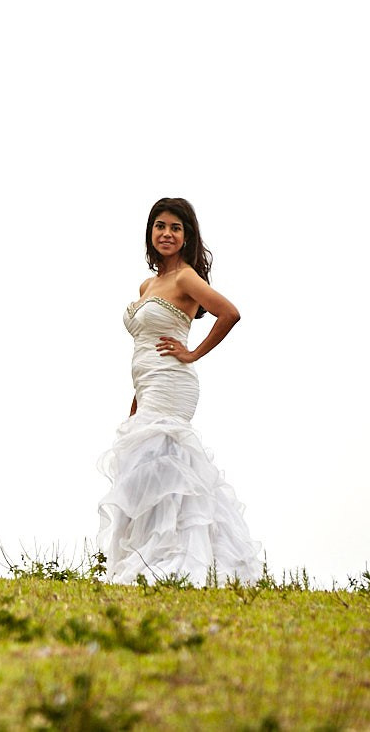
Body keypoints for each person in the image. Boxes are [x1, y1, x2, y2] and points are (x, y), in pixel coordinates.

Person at [94, 197, 261, 584]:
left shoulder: (186, 278)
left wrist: (193, 353)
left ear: (186, 237)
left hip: (172, 383)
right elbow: (144, 349)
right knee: (144, 471)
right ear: (150, 233)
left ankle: (181, 560)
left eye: (175, 228)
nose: (166, 234)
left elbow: (229, 313)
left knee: (165, 468)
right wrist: (136, 400)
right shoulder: (148, 285)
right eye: (160, 226)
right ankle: (151, 556)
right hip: (147, 384)